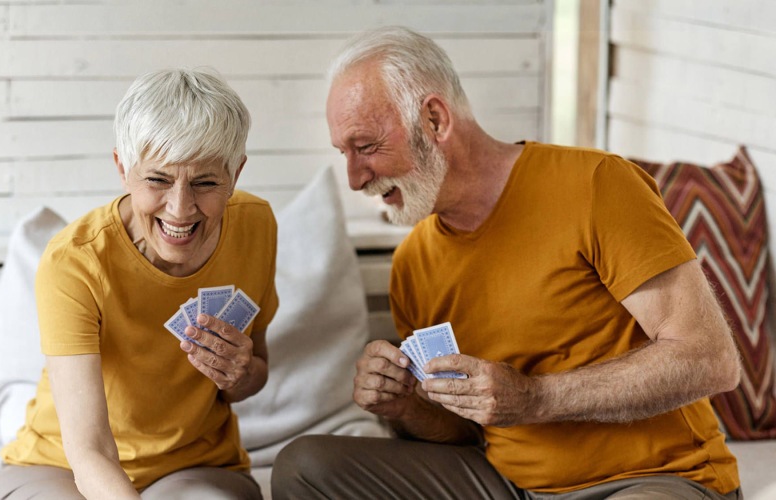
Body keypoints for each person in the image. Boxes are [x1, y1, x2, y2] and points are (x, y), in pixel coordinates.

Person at [272, 26, 743, 499]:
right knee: (306, 466)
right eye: (344, 153)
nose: (354, 179)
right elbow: (465, 432)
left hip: (652, 479)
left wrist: (536, 398)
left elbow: (710, 358)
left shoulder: (596, 184)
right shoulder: (413, 262)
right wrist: (404, 407)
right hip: (504, 484)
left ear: (434, 119)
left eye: (367, 146)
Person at [0, 68, 278, 499]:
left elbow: (253, 377)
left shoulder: (256, 226)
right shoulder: (76, 261)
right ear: (123, 168)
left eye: (206, 182)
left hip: (194, 465)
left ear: (235, 173)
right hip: (61, 464)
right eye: (157, 179)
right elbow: (90, 450)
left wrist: (239, 372)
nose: (180, 209)